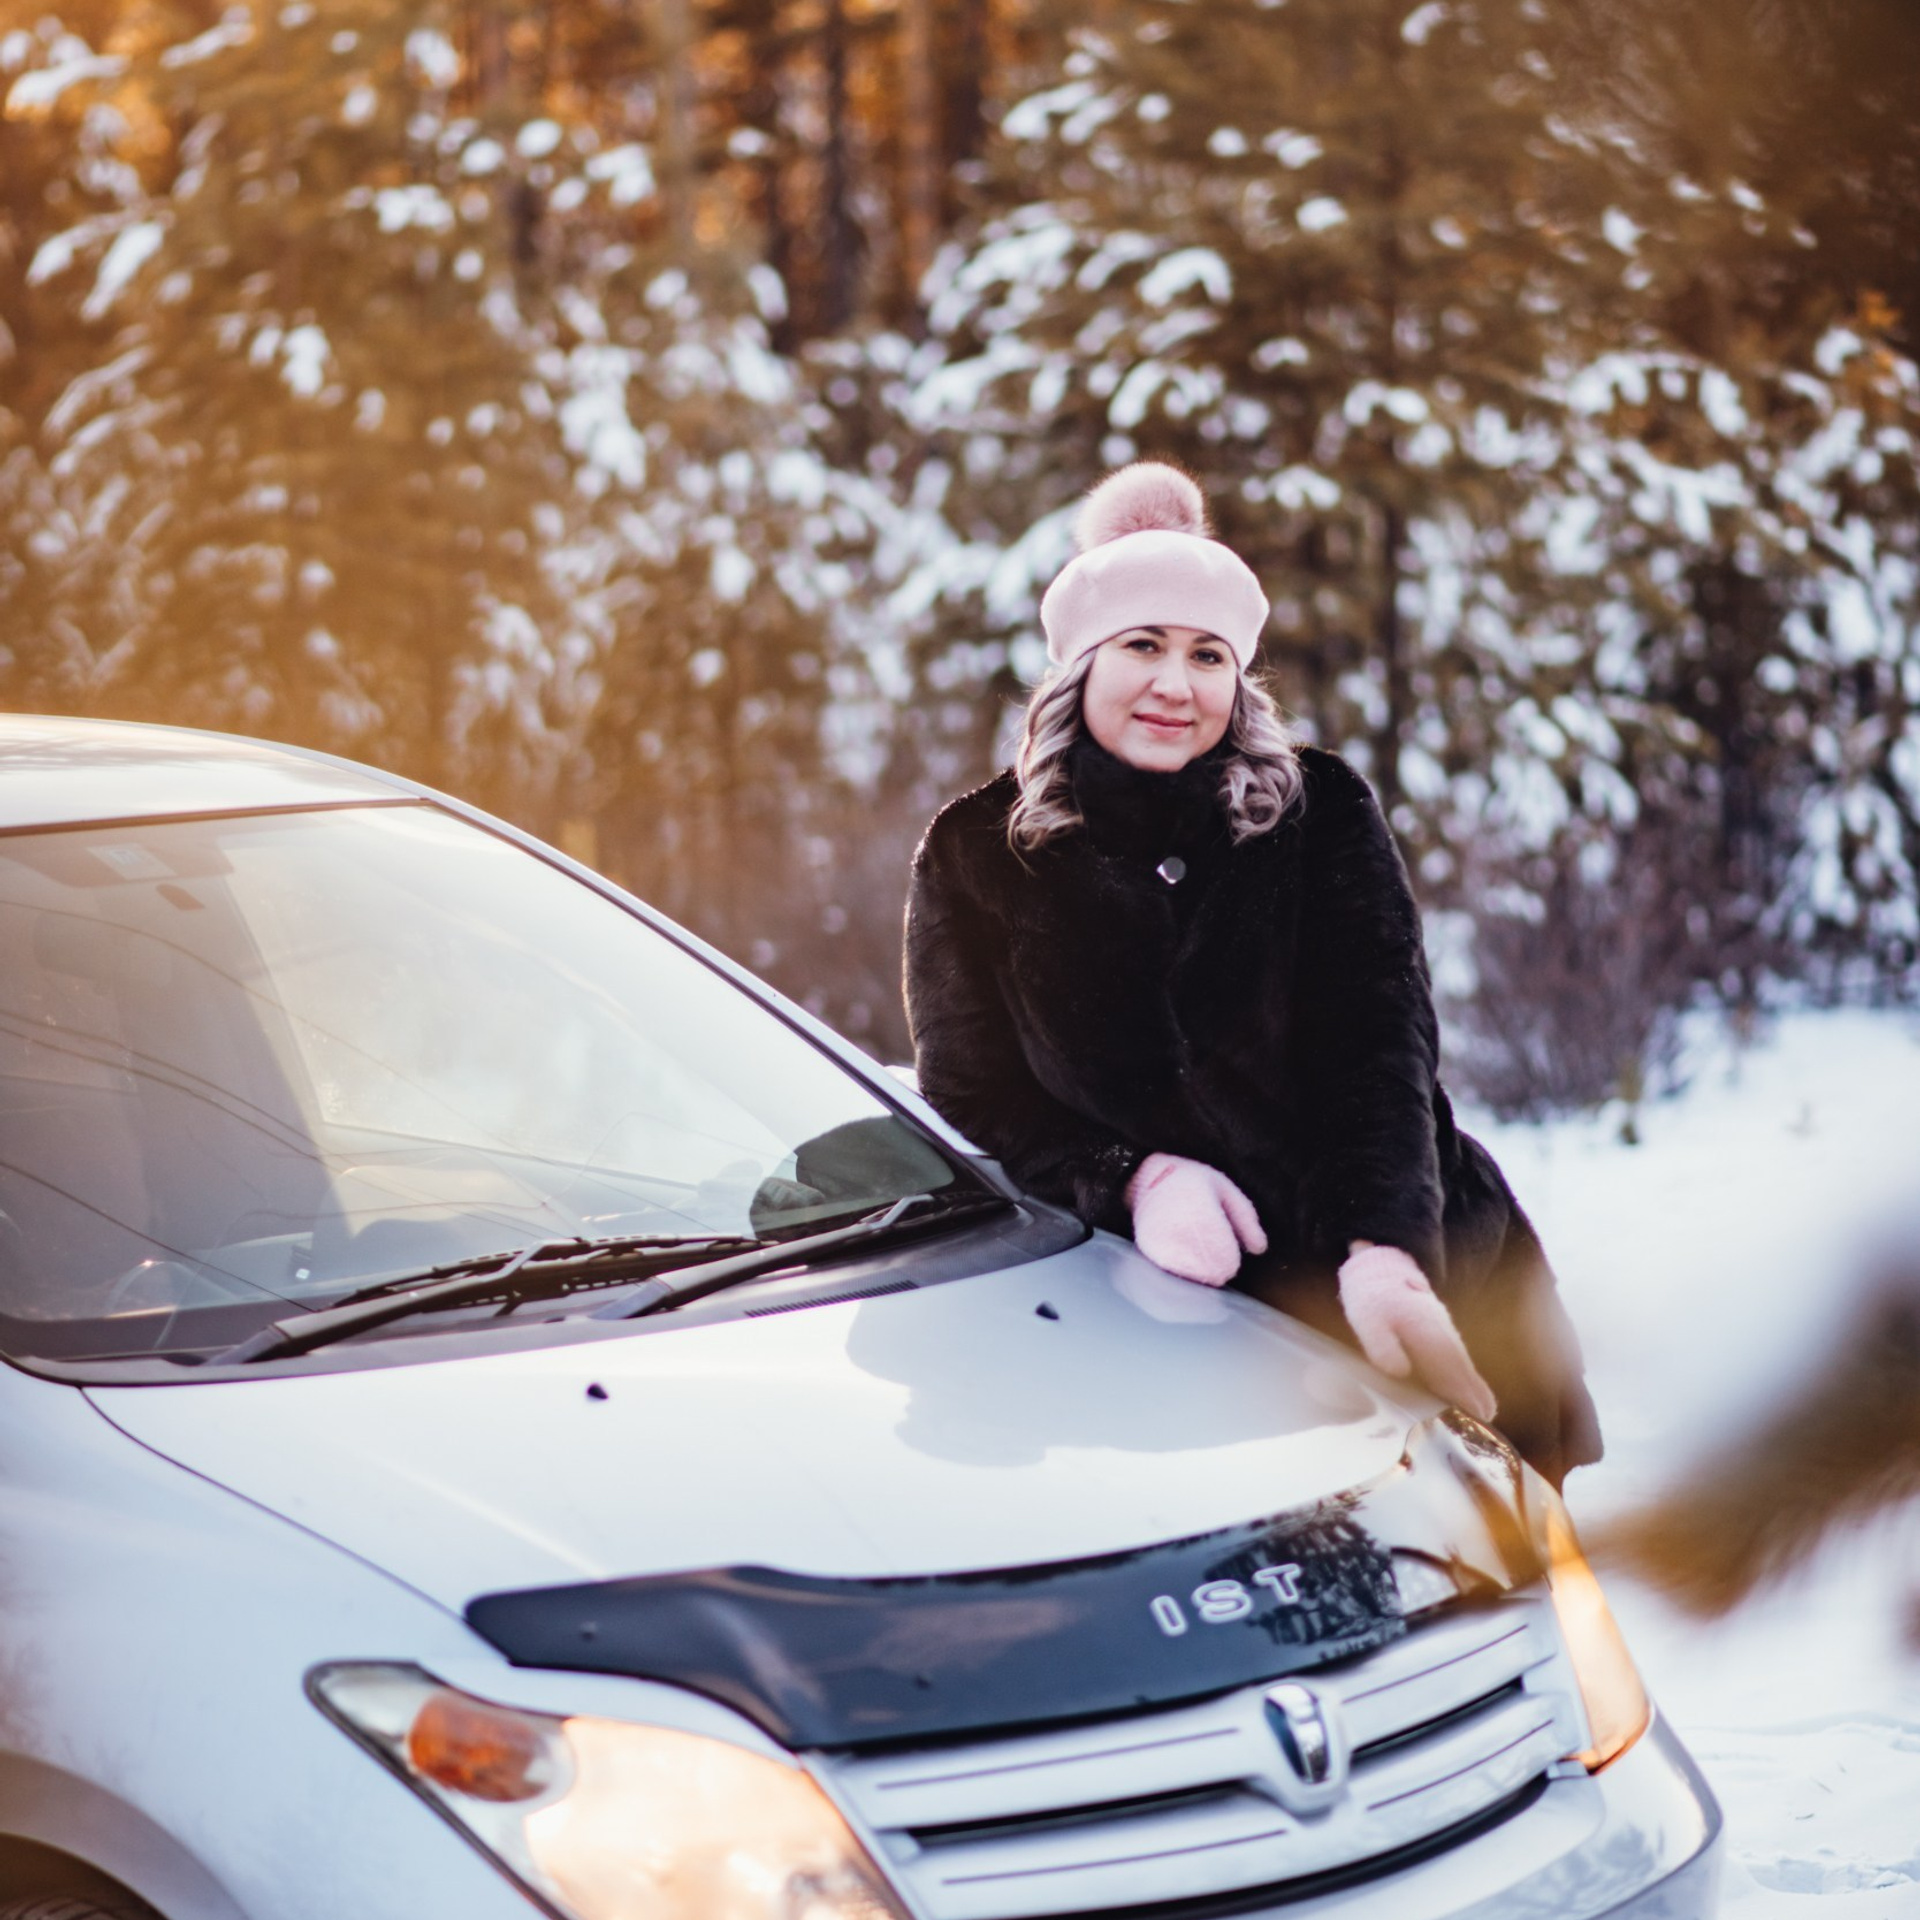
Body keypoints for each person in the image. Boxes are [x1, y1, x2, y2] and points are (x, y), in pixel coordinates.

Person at [903, 462, 1601, 1486]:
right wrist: (1134, 1177)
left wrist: (1388, 1251)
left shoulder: (1315, 812)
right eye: (1143, 645)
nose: (1176, 686)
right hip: (1181, 1326)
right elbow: (972, 1091)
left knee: (1493, 1576)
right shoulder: (977, 852)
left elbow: (1381, 1046)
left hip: (1421, 1278)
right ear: (1079, 664)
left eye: (1208, 655)